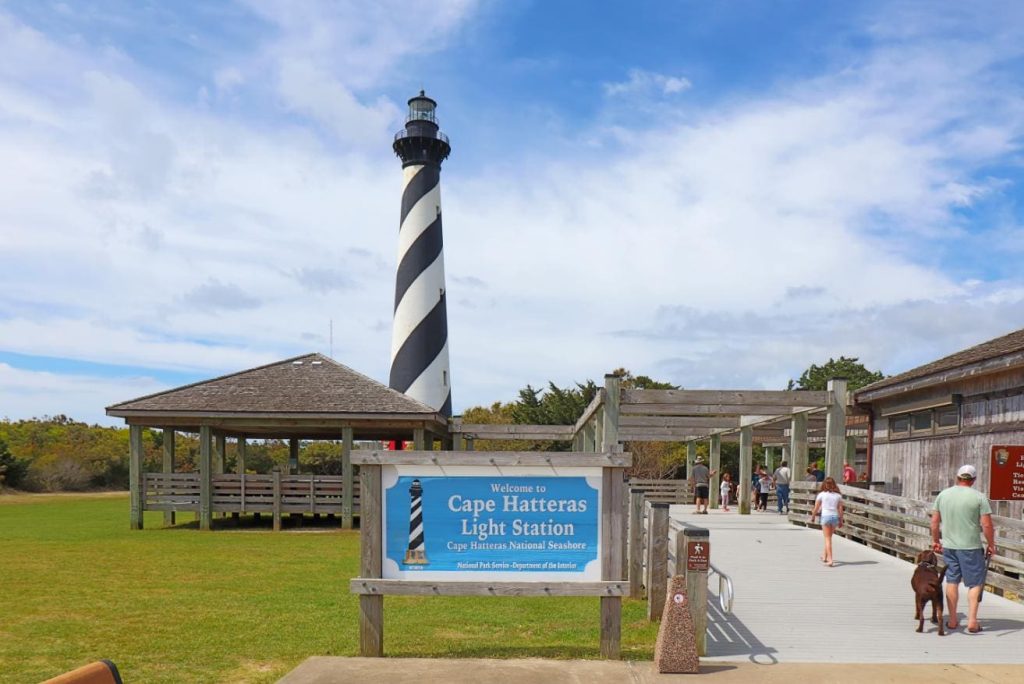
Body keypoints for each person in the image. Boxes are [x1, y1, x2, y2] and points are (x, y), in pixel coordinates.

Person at [930, 464, 996, 633]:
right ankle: (972, 621)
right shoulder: (979, 497)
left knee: (952, 580)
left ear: (957, 477)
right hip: (971, 547)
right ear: (973, 480)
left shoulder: (943, 495)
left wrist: (936, 540)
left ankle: (952, 621)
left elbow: (935, 522)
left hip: (949, 546)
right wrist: (991, 544)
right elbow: (987, 524)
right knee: (975, 584)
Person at [810, 476, 844, 566]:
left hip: (825, 516)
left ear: (824, 485)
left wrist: (813, 516)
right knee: (828, 537)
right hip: (834, 517)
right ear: (833, 485)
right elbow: (840, 509)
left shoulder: (821, 495)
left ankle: (830, 560)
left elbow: (816, 507)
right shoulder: (838, 496)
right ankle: (824, 556)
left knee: (827, 539)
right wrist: (841, 520)